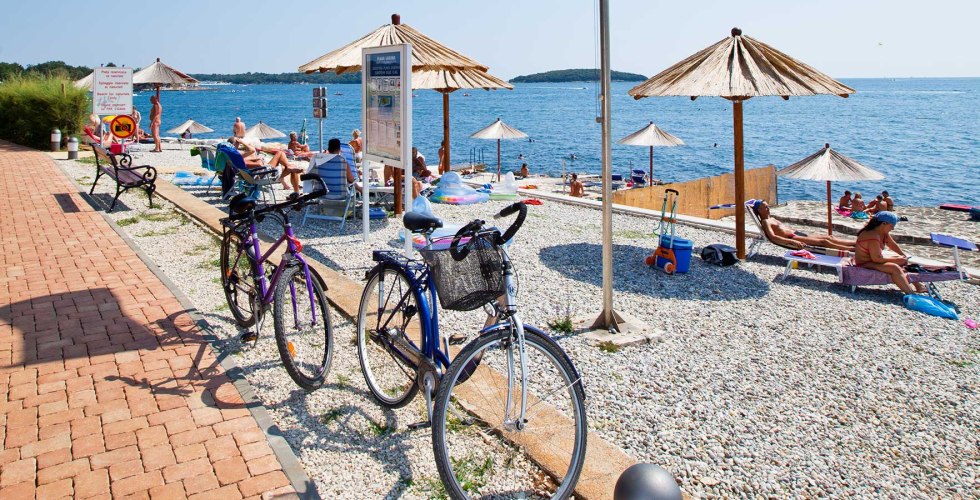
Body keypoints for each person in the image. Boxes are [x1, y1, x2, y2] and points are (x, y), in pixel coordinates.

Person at [854, 211, 926, 294]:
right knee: (894, 268)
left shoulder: (882, 232)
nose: (893, 228)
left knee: (901, 261)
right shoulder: (872, 236)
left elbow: (892, 244)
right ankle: (911, 294)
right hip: (865, 263)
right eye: (892, 226)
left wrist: (903, 256)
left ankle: (918, 286)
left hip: (872, 261)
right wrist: (898, 260)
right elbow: (876, 259)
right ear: (883, 224)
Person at [752, 200, 855, 251]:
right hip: (793, 237)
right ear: (759, 210)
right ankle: (851, 250)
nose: (768, 208)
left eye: (768, 206)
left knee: (829, 237)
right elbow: (773, 238)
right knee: (824, 242)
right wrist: (792, 241)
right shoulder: (766, 222)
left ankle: (855, 242)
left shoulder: (771, 218)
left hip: (797, 234)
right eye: (765, 207)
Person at [229, 137, 304, 195]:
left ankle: (288, 169)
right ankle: (296, 191)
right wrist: (259, 160)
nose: (239, 144)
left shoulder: (234, 156)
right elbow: (259, 164)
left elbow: (252, 151)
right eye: (237, 142)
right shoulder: (238, 158)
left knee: (289, 165)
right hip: (261, 174)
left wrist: (256, 159)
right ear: (234, 144)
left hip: (257, 172)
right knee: (282, 156)